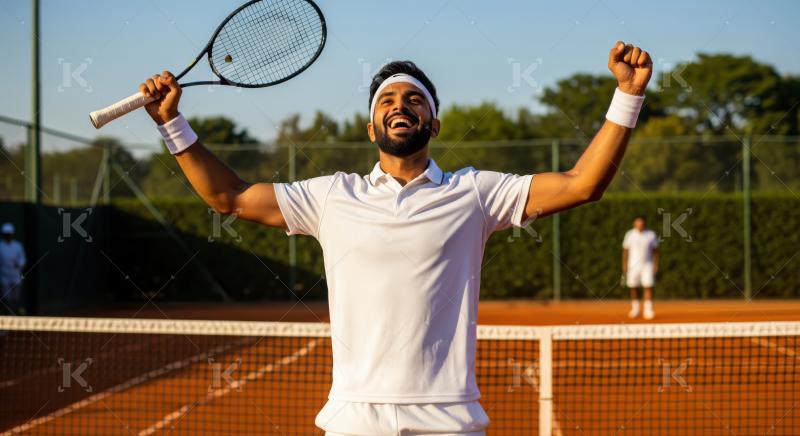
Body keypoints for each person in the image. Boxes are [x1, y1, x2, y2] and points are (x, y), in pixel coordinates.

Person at [138, 41, 652, 435]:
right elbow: (228, 196)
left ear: (433, 122)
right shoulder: (332, 196)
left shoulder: (474, 192)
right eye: (386, 98)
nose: (399, 104)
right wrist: (172, 124)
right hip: (354, 419)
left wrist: (629, 94)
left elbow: (585, 184)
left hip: (450, 420)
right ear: (371, 128)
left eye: (413, 98)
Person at [622, 215, 659, 320]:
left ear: (644, 223)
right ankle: (635, 309)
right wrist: (624, 265)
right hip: (632, 266)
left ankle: (648, 310)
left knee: (648, 286)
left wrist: (655, 265)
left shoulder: (651, 234)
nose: (639, 225)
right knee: (633, 287)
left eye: (641, 223)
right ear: (634, 224)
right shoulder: (629, 234)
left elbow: (655, 251)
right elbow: (625, 250)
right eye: (637, 223)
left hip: (647, 265)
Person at [0, 223, 26, 315]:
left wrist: (19, 264)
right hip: (4, 276)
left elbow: (22, 259)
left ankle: (15, 312)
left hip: (15, 276)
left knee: (16, 297)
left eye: (9, 234)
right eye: (6, 234)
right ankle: (9, 314)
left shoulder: (18, 246)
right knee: (7, 297)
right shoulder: (0, 246)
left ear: (12, 234)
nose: (8, 236)